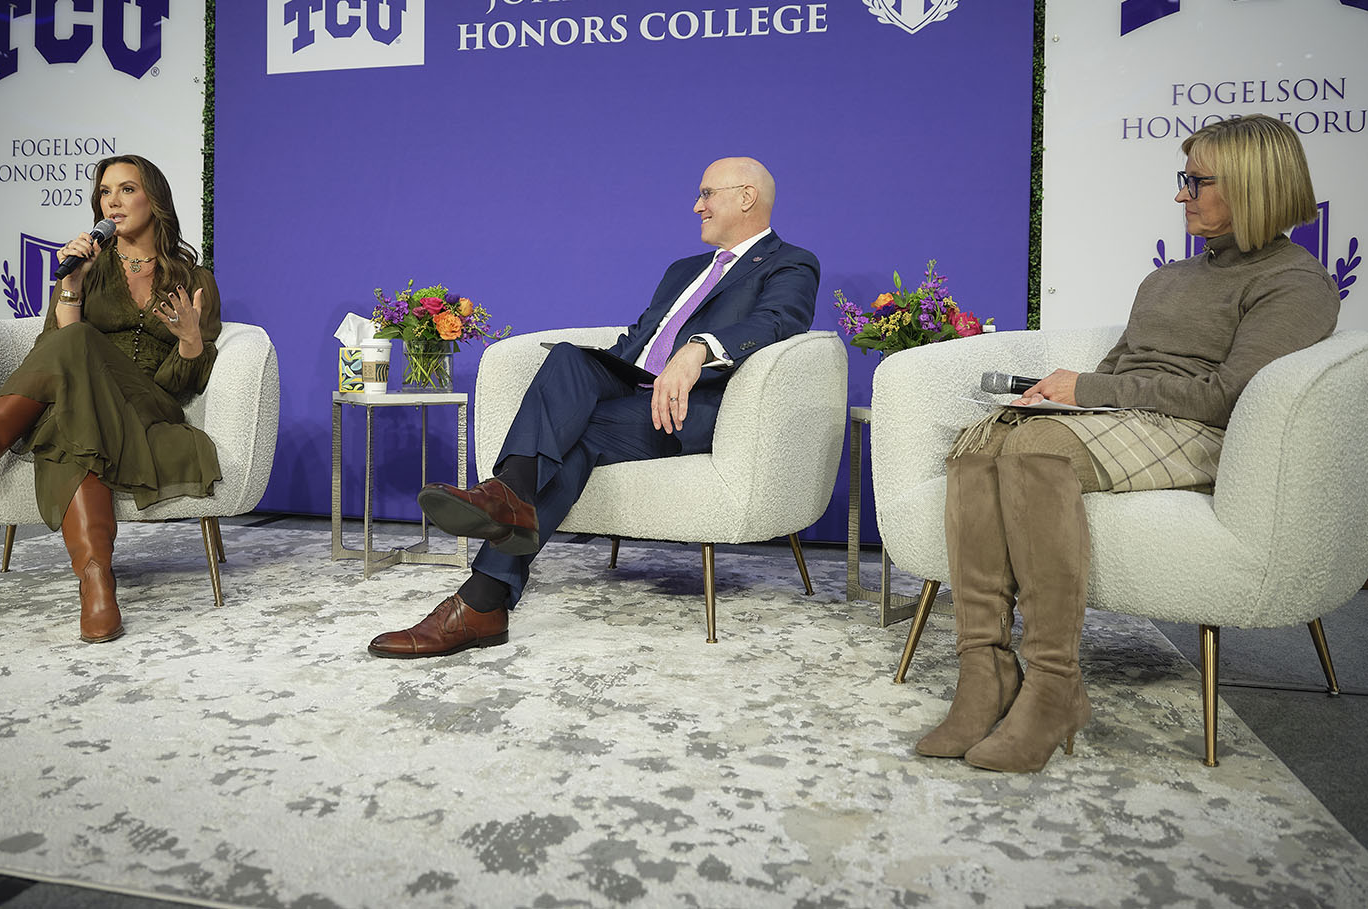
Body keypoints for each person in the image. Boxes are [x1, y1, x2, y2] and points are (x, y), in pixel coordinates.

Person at [917, 114, 1340, 773]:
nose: (1181, 195)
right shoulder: (1167, 278)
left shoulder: (1295, 283)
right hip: (1133, 420)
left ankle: (1054, 685)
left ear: (1254, 185)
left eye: (1196, 180)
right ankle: (986, 671)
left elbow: (1228, 396)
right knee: (983, 442)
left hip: (1200, 434)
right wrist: (1057, 396)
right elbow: (1121, 370)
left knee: (1037, 449)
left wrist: (1083, 390)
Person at [369, 156, 820, 658]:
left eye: (707, 194)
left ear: (746, 196)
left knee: (576, 437)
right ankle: (507, 501)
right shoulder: (683, 271)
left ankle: (481, 600)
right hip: (634, 387)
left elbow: (781, 321)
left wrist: (698, 348)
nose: (697, 206)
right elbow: (638, 341)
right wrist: (597, 376)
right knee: (567, 361)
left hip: (700, 407)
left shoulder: (791, 262)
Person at [0, 155, 222, 644]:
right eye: (106, 191)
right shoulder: (88, 267)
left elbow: (180, 386)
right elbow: (57, 353)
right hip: (85, 406)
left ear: (155, 199)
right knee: (72, 416)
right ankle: (97, 588)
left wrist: (191, 342)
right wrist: (71, 287)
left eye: (127, 189)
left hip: (148, 405)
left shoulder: (194, 280)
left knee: (78, 343)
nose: (113, 200)